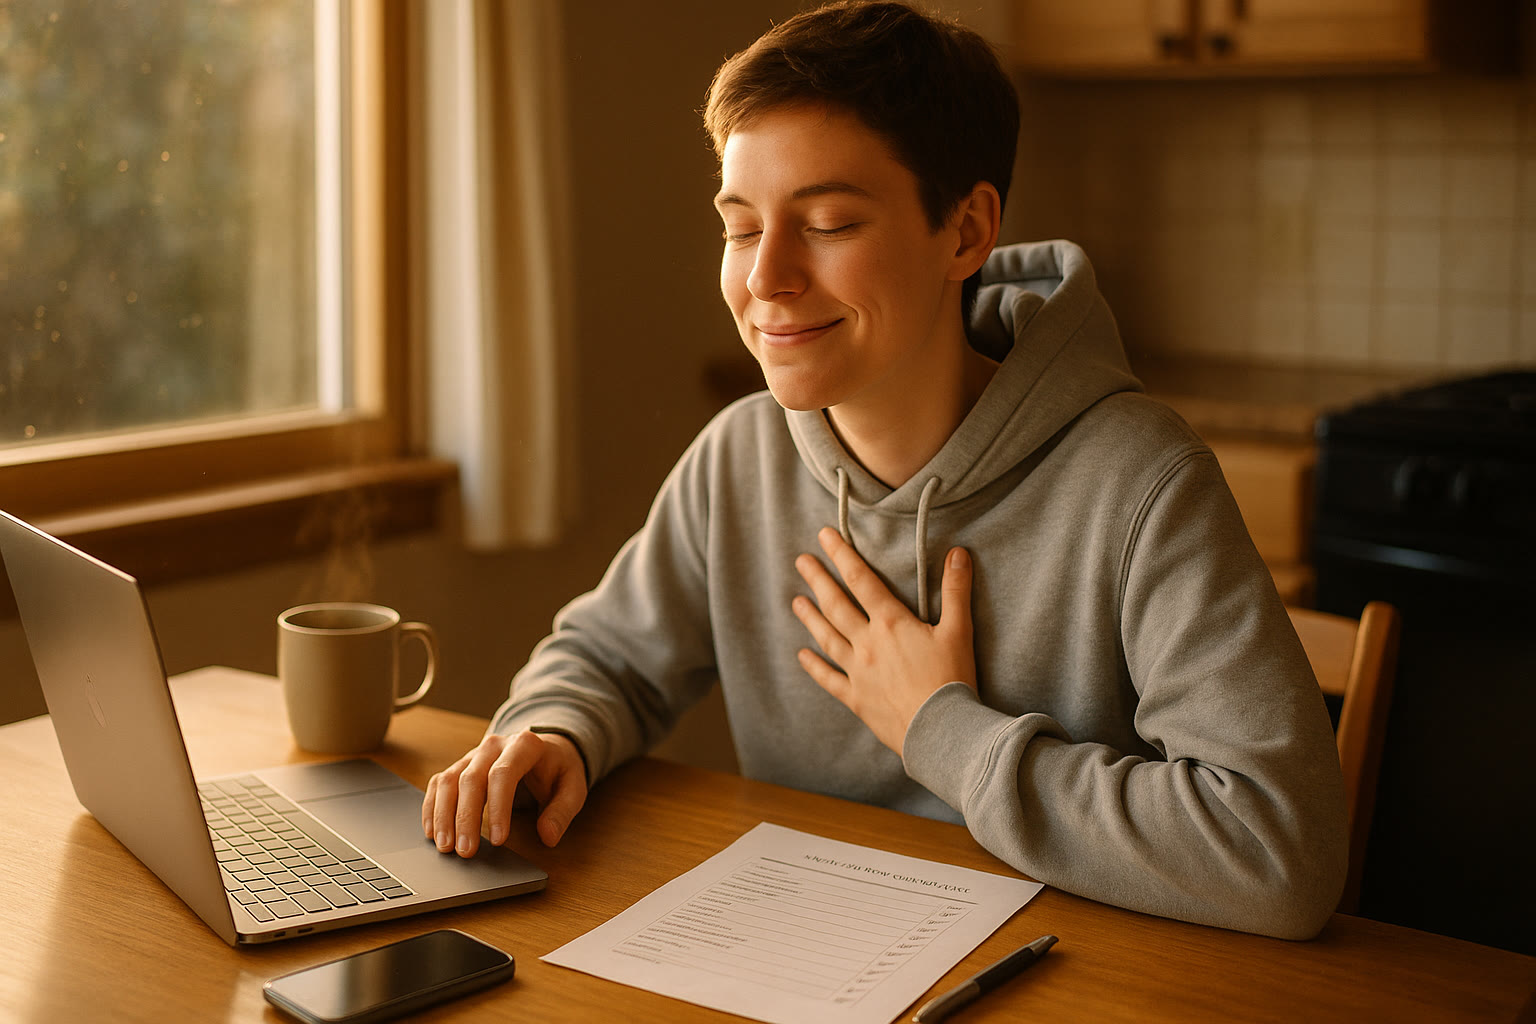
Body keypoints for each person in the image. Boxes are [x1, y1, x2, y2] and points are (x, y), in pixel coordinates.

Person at [422, 0, 1347, 940]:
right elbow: (611, 660)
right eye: (743, 228)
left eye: (825, 223)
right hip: (806, 953)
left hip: (1069, 975)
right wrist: (551, 730)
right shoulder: (740, 458)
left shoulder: (1139, 484)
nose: (766, 277)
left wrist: (939, 729)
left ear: (965, 232)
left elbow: (1279, 853)